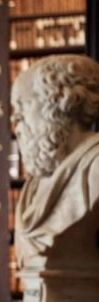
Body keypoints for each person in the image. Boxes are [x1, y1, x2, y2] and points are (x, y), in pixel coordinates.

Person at [10, 54, 99, 270]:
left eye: (23, 105)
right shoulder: (34, 185)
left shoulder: (95, 166)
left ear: (60, 102)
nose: (15, 119)